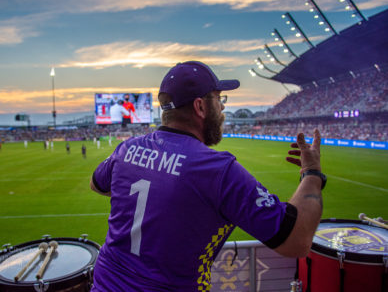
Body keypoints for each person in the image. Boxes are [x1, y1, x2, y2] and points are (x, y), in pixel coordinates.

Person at [89, 61, 325, 291]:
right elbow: (296, 240)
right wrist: (312, 173)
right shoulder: (217, 170)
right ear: (200, 106)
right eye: (219, 99)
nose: (222, 108)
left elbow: (96, 184)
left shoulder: (127, 148)